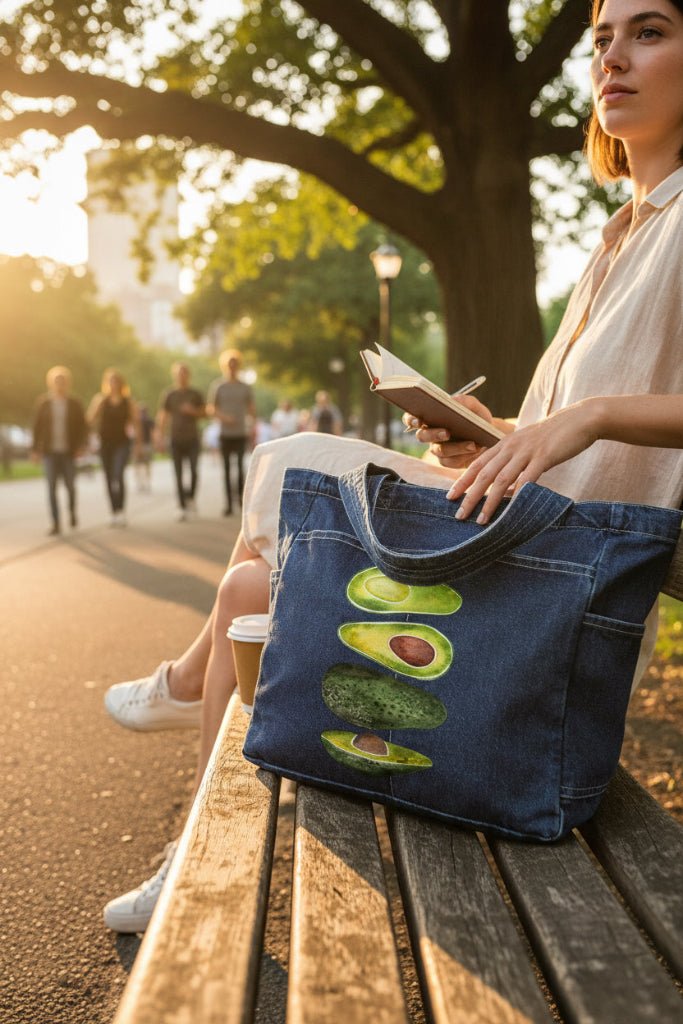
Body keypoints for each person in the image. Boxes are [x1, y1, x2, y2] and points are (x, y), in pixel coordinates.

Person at [102, 0, 683, 932]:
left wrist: (590, 415)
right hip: (513, 547)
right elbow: (559, 439)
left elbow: (591, 431)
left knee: (288, 468)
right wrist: (486, 435)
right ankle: (193, 872)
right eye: (601, 37)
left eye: (647, 32)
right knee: (250, 591)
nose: (612, 54)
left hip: (559, 599)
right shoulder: (618, 235)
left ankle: (183, 721)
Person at [31, 366, 88, 535]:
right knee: (51, 487)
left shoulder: (74, 403)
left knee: (70, 486)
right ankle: (55, 522)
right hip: (50, 451)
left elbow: (83, 427)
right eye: (56, 382)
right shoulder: (44, 403)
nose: (59, 385)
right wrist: (35, 449)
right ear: (51, 384)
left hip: (69, 451)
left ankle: (72, 512)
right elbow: (37, 427)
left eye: (62, 381)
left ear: (67, 383)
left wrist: (81, 446)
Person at [88, 369, 141, 527]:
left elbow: (136, 424)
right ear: (106, 384)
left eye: (116, 381)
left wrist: (138, 444)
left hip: (122, 443)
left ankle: (121, 510)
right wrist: (87, 440)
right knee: (108, 477)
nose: (113, 384)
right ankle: (113, 511)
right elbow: (90, 420)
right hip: (105, 443)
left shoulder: (128, 401)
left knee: (118, 475)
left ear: (121, 384)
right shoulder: (101, 400)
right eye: (110, 381)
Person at [207, 349, 256, 516]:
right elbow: (211, 408)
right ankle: (228, 504)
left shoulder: (245, 387)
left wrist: (252, 426)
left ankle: (242, 502)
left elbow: (251, 409)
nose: (232, 367)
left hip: (240, 433)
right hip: (225, 433)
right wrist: (224, 417)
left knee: (241, 469)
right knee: (227, 469)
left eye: (235, 364)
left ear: (239, 366)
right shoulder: (219, 386)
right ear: (225, 366)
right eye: (229, 364)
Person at [156, 363, 205, 520]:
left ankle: (190, 498)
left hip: (192, 438)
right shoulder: (170, 394)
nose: (182, 376)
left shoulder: (195, 394)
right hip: (175, 438)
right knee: (177, 473)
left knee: (193, 470)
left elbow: (206, 413)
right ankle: (181, 506)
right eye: (179, 374)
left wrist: (193, 411)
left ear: (188, 375)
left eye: (184, 373)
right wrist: (160, 436)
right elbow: (163, 416)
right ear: (175, 376)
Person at [134, 403, 155, 493]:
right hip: (146, 445)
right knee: (146, 465)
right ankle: (146, 482)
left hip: (140, 445)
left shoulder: (136, 420)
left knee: (138, 465)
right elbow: (152, 433)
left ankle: (141, 483)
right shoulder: (149, 420)